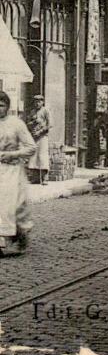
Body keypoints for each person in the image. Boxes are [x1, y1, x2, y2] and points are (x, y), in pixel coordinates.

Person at [0, 92, 36, 256]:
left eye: (1, 105)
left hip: (12, 170)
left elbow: (31, 147)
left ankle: (18, 235)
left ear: (7, 107)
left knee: (11, 206)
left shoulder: (16, 124)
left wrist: (12, 154)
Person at [27, 94, 50, 184]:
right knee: (34, 156)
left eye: (39, 101)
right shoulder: (32, 112)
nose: (37, 103)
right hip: (34, 137)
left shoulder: (45, 111)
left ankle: (45, 177)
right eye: (36, 101)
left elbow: (49, 125)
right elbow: (28, 122)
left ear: (42, 102)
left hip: (42, 136)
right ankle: (36, 177)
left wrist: (40, 131)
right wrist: (32, 122)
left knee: (42, 156)